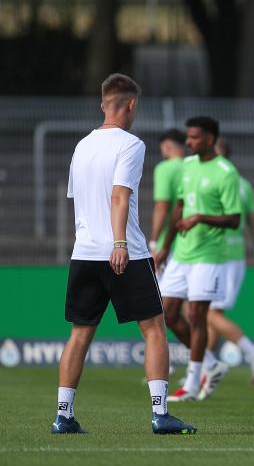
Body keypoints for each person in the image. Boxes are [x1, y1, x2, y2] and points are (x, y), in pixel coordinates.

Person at [55, 73, 194, 435]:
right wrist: (118, 243)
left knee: (80, 334)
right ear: (131, 105)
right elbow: (119, 196)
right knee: (154, 330)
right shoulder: (131, 144)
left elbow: (80, 202)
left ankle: (63, 415)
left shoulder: (81, 146)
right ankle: (160, 414)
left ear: (104, 104)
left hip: (84, 251)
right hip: (124, 252)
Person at [155, 116, 241, 402]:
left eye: (193, 137)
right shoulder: (188, 167)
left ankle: (192, 384)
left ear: (210, 138)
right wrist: (165, 247)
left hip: (209, 255)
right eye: (187, 137)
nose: (188, 142)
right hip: (181, 253)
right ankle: (211, 363)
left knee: (196, 315)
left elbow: (234, 220)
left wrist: (201, 218)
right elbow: (178, 208)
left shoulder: (225, 172)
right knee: (167, 313)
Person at [203, 138, 254, 388]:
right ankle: (202, 370)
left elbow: (252, 224)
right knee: (212, 314)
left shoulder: (220, 181)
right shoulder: (243, 185)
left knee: (204, 311)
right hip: (233, 257)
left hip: (220, 257)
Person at [150, 129, 186, 259]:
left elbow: (162, 208)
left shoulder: (164, 168)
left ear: (167, 146)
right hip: (192, 244)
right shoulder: (194, 167)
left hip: (169, 244)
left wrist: (154, 241)